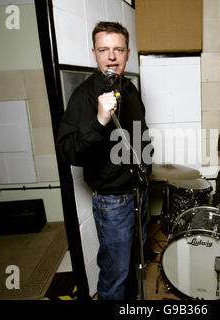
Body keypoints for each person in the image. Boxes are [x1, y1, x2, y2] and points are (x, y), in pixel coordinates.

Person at [56, 21, 153, 300]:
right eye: (104, 50)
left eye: (118, 49)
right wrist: (99, 121)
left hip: (139, 191)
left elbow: (139, 134)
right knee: (115, 274)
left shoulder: (130, 89)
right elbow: (67, 151)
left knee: (137, 264)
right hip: (113, 201)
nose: (111, 56)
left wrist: (148, 166)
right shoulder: (84, 96)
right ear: (94, 53)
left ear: (127, 53)